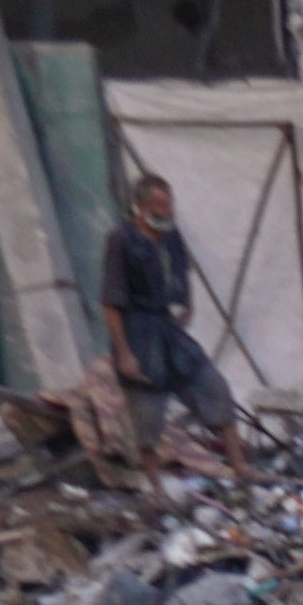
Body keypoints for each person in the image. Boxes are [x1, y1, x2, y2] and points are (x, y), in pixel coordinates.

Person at [101, 168, 237, 432]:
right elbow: (111, 302)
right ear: (140, 207)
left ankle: (240, 467)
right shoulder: (121, 240)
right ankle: (151, 474)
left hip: (169, 330)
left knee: (214, 388)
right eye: (159, 206)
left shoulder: (172, 236)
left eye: (169, 205)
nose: (167, 212)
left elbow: (182, 277)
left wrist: (187, 308)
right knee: (148, 411)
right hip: (138, 333)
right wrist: (125, 354)